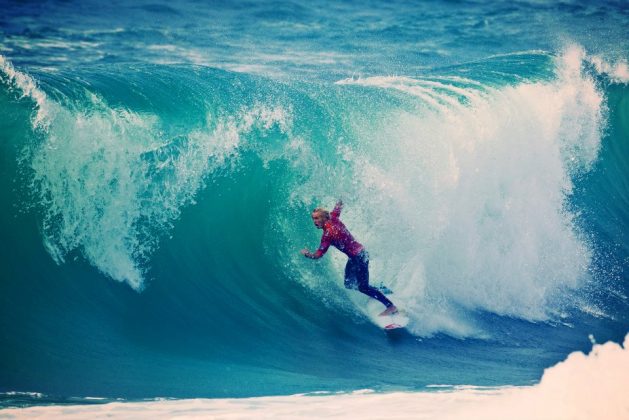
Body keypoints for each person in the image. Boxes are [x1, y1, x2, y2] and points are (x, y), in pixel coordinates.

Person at [301, 200, 398, 316]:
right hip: (356, 257)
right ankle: (379, 289)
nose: (314, 222)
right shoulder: (333, 217)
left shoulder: (327, 235)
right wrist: (341, 200)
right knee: (348, 283)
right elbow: (338, 208)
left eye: (317, 218)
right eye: (313, 218)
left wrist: (307, 254)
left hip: (359, 258)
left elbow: (318, 255)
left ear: (323, 218)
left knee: (363, 288)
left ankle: (391, 306)